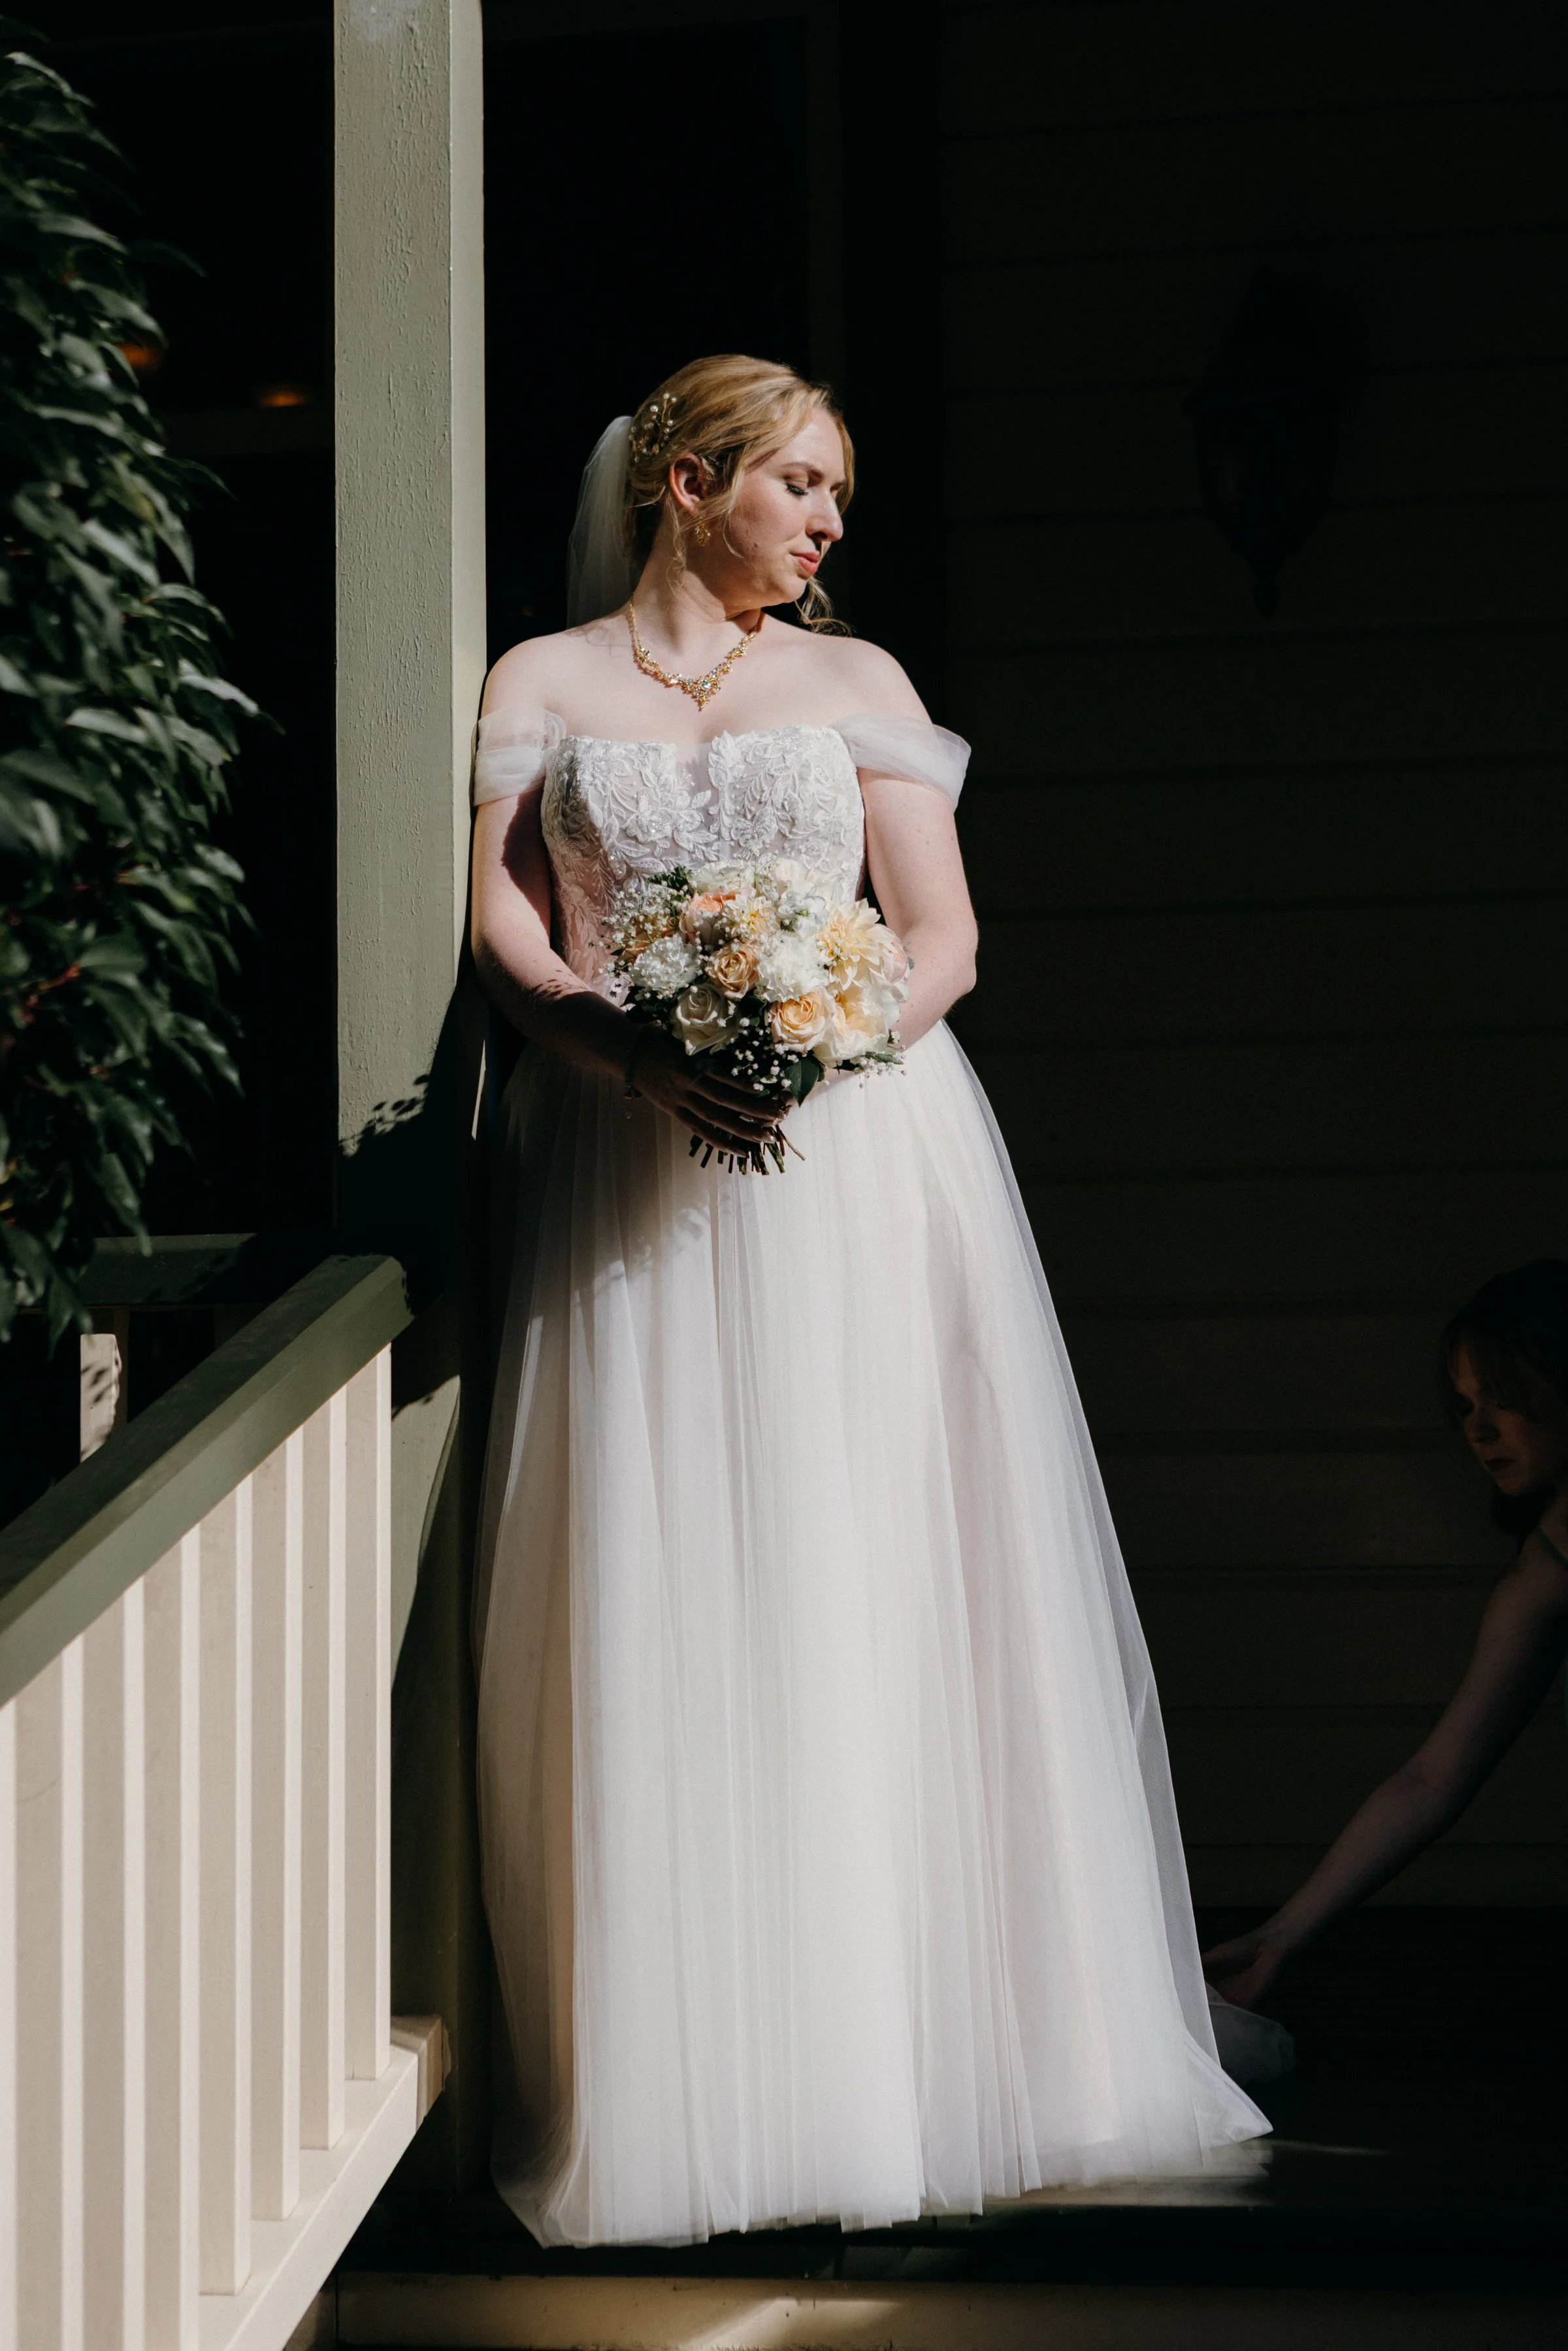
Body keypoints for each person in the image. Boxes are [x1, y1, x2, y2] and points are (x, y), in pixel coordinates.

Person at [468, 354, 1267, 2249]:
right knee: (668, 1586)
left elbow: (946, 936)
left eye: (837, 495)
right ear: (687, 476)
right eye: (801, 483)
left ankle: (932, 2053)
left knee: (873, 1571)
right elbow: (501, 918)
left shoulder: (860, 684)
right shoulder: (536, 683)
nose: (829, 523)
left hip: (860, 1165)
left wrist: (819, 1041)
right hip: (624, 1153)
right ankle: (702, 2086)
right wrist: (618, 1044)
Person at [1203, 1260, 1568, 2013]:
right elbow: (1432, 1778)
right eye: (1464, 1405)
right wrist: (1281, 1933)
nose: (1479, 1430)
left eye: (1507, 1400)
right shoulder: (1542, 1579)